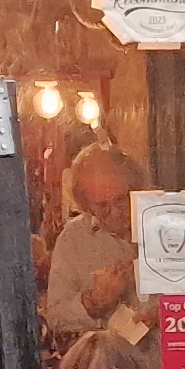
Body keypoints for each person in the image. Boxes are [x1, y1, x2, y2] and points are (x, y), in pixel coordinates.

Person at [41, 146, 141, 347]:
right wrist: (93, 302)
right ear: (86, 206)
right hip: (110, 361)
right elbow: (55, 317)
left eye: (121, 200)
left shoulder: (164, 219)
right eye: (103, 206)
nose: (116, 213)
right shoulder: (74, 239)